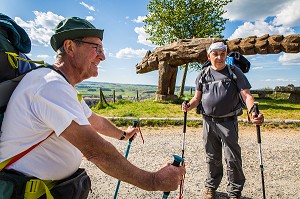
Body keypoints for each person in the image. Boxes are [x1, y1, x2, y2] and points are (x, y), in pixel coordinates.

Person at [0, 17, 185, 198]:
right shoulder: (50, 85)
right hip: (27, 192)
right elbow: (95, 150)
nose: (103, 56)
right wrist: (153, 181)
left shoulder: (61, 85)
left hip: (47, 189)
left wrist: (122, 134)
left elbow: (95, 120)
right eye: (96, 48)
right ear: (70, 47)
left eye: (102, 49)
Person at [182, 42, 264, 199]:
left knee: (232, 158)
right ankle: (211, 187)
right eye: (215, 54)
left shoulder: (234, 72)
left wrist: (253, 111)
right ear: (209, 56)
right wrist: (188, 106)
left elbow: (246, 95)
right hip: (208, 122)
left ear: (226, 55)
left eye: (222, 54)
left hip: (228, 122)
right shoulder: (203, 74)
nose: (219, 57)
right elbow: (196, 99)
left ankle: (234, 192)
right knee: (212, 157)